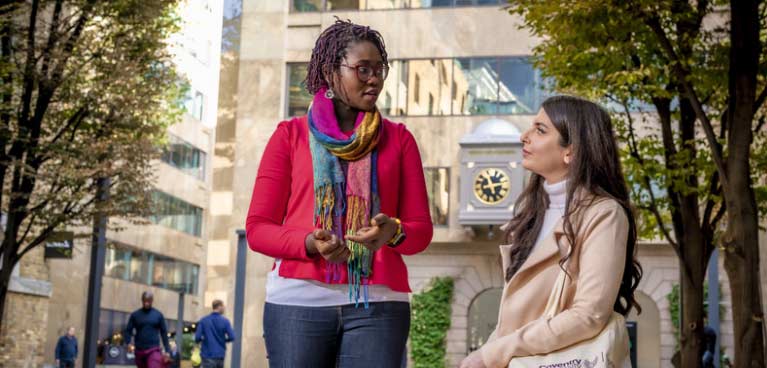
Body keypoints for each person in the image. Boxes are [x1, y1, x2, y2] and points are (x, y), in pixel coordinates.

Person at [246, 18, 432, 368]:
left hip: (380, 302)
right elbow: (258, 228)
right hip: (297, 303)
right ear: (331, 72)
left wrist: (393, 232)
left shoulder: (400, 139)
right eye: (363, 69)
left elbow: (420, 230)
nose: (374, 78)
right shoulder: (290, 136)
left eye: (380, 69)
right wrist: (309, 243)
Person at [460, 96, 643, 368]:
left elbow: (588, 314)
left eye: (540, 130)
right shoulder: (532, 214)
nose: (525, 136)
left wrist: (492, 354)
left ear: (571, 151)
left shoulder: (603, 214)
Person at [124, 291, 172, 368]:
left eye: (148, 301)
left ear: (152, 301)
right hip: (139, 350)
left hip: (153, 349)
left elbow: (164, 333)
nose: (146, 303)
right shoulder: (135, 315)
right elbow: (128, 331)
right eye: (145, 301)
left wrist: (167, 350)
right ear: (142, 300)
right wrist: (128, 343)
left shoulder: (158, 315)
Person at [194, 299, 235, 368]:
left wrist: (204, 339)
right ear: (219, 307)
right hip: (220, 355)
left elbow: (197, 337)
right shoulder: (225, 321)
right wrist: (223, 340)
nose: (224, 309)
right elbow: (232, 337)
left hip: (207, 355)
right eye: (223, 307)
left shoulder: (203, 320)